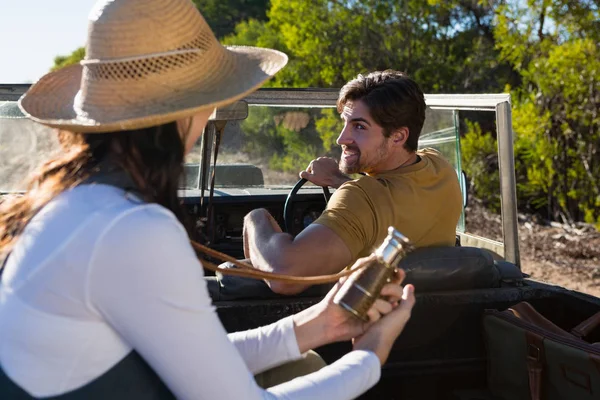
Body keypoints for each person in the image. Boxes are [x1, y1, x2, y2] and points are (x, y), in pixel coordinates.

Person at [0, 0, 416, 399]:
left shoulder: (79, 201)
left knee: (303, 361)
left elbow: (197, 358)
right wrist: (370, 356)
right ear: (187, 110)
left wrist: (321, 323)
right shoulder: (132, 229)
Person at [243, 70, 463, 295]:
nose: (341, 139)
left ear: (398, 136)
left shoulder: (359, 200)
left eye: (359, 126)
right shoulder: (440, 168)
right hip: (431, 323)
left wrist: (255, 219)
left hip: (360, 326)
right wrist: (337, 180)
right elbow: (389, 199)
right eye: (345, 123)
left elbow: (283, 275)